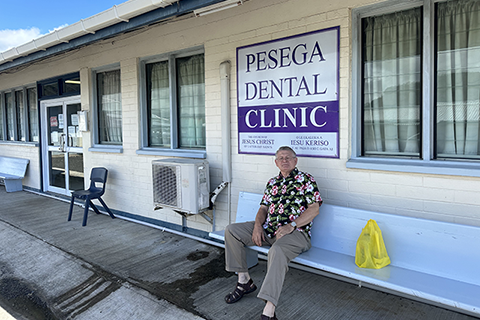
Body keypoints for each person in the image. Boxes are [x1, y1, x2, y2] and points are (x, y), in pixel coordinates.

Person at [224, 146, 322, 320]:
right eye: (281, 158)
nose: (284, 160)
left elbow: (314, 209)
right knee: (232, 231)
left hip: (297, 234)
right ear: (276, 162)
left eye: (288, 157)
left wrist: (292, 225)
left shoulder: (306, 180)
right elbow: (263, 208)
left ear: (295, 160)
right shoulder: (272, 183)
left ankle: (269, 310)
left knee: (276, 251)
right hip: (269, 231)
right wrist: (257, 226)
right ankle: (244, 280)